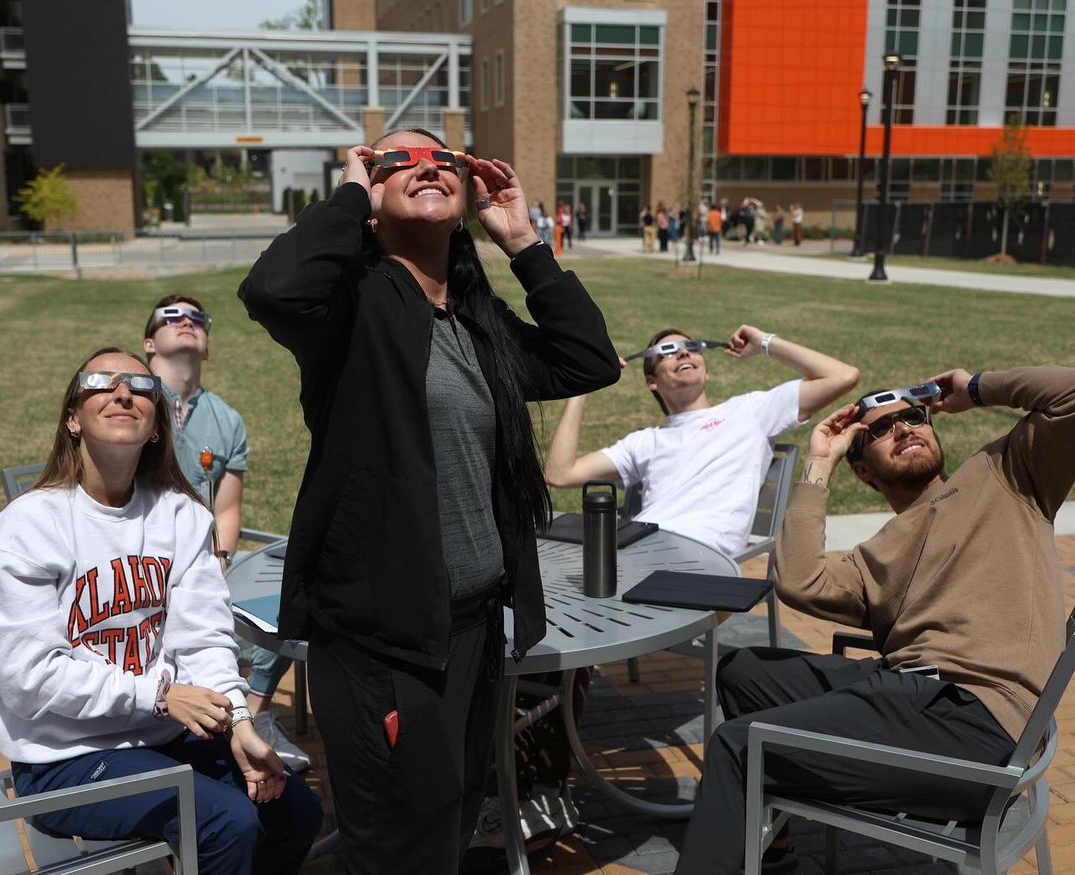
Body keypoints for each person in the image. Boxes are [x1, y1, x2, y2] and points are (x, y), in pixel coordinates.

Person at [238, 128, 619, 874]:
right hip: (383, 639)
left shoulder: (475, 318)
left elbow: (588, 359)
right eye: (396, 161)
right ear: (372, 200)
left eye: (441, 159)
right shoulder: (346, 307)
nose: (424, 167)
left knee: (446, 827)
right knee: (395, 848)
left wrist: (524, 242)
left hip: (472, 629)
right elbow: (273, 287)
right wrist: (349, 191)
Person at [674, 366, 1075, 874]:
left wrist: (975, 389)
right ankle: (772, 854)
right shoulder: (874, 555)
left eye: (913, 417)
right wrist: (819, 462)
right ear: (862, 471)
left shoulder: (1009, 474)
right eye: (880, 430)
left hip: (974, 724)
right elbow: (798, 582)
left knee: (738, 746)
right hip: (909, 696)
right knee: (742, 671)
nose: (904, 428)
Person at [0, 348, 323, 875]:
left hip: (159, 738)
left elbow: (203, 639)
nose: (122, 393)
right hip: (63, 759)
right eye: (101, 382)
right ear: (72, 417)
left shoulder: (179, 516)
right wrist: (157, 696)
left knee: (295, 809)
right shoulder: (24, 529)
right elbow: (29, 678)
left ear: (157, 424)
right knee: (228, 822)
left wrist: (240, 724)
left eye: (140, 385)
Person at [143, 295, 311, 773]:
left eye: (198, 318)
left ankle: (250, 713)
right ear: (149, 343)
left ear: (208, 347)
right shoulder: (132, 403)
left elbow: (227, 507)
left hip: (202, 562)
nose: (188, 323)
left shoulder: (226, 419)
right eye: (172, 317)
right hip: (142, 565)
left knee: (292, 601)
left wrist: (218, 562)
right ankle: (217, 725)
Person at [545, 326, 859, 559]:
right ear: (652, 381)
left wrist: (764, 343)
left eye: (691, 348)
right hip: (638, 547)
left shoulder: (750, 411)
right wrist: (582, 386)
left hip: (703, 557)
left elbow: (843, 376)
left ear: (706, 372)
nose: (683, 353)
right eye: (668, 353)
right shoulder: (646, 442)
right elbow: (559, 474)